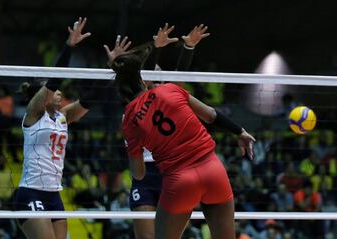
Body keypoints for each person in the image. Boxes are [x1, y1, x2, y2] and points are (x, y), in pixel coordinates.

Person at [112, 44, 255, 238]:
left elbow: (138, 173)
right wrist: (240, 131)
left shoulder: (129, 119)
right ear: (144, 78)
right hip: (213, 170)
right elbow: (211, 114)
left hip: (179, 181)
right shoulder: (171, 89)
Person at [104, 23, 210, 239]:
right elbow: (126, 76)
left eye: (161, 79)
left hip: (172, 174)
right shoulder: (132, 109)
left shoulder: (171, 102)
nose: (156, 81)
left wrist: (187, 47)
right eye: (151, 78)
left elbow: (179, 79)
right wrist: (153, 47)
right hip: (144, 178)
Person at [13, 17, 92, 239]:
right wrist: (69, 47)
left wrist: (111, 67)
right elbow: (56, 81)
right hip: (30, 192)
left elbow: (90, 100)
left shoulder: (63, 116)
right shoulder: (33, 113)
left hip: (54, 194)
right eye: (53, 91)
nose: (59, 92)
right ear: (43, 95)